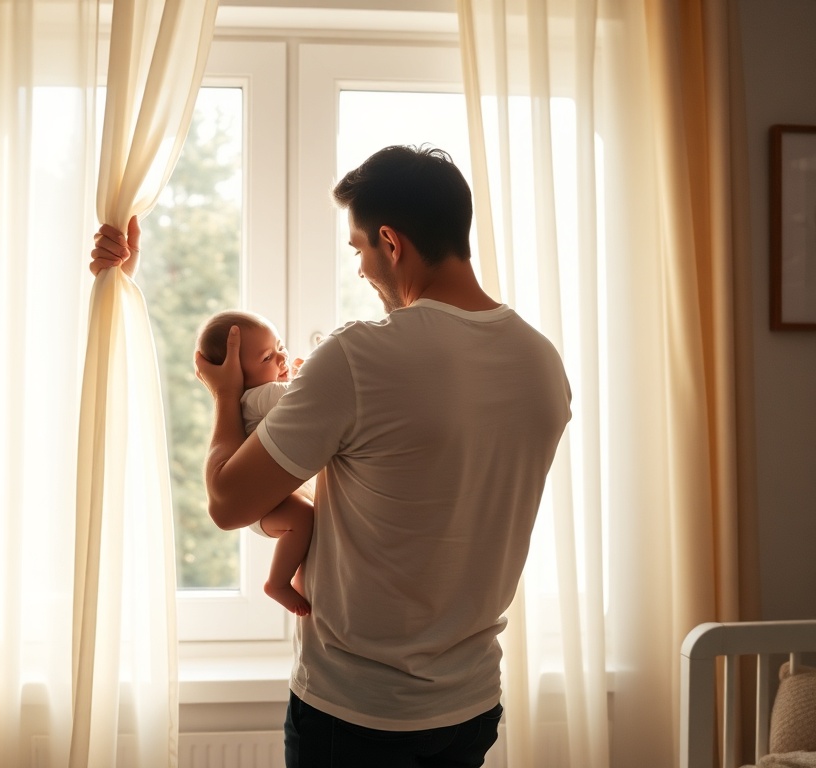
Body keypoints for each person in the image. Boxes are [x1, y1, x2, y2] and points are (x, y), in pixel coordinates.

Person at [93, 145, 572, 768]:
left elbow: (227, 503)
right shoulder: (542, 363)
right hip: (472, 706)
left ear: (391, 243)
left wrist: (225, 396)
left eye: (359, 251)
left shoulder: (360, 357)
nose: (361, 270)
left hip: (358, 714)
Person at [196, 310, 314, 616]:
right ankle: (277, 583)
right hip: (265, 504)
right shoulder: (262, 395)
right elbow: (305, 398)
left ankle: (283, 581)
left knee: (305, 518)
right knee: (303, 516)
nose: (281, 357)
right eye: (266, 358)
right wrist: (310, 373)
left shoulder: (248, 399)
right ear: (239, 375)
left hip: (261, 503)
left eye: (280, 346)